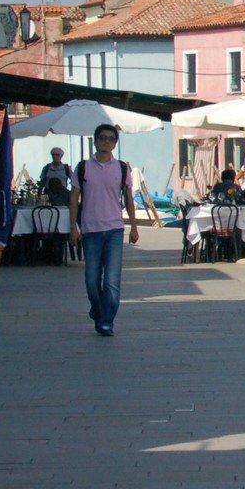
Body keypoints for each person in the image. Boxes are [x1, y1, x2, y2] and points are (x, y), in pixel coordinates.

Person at [69, 124, 139, 337]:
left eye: (110, 138)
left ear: (115, 143)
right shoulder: (83, 168)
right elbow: (74, 198)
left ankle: (106, 321)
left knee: (111, 279)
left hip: (114, 230)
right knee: (92, 280)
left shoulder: (122, 168)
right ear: (96, 140)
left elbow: (128, 199)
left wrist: (134, 227)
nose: (106, 141)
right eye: (102, 138)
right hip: (90, 231)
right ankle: (98, 309)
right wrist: (73, 226)